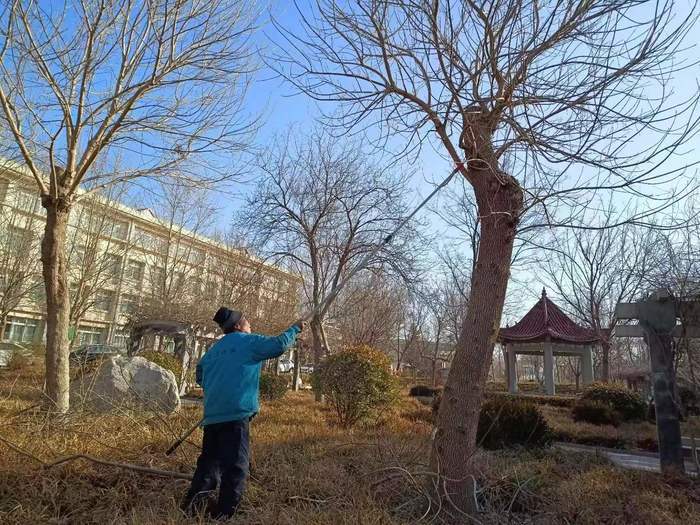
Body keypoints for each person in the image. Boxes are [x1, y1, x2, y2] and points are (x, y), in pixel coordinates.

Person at [180, 307, 303, 520]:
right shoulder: (248, 342)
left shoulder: (214, 349)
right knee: (236, 466)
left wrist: (216, 385)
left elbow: (200, 373)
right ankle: (225, 514)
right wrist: (295, 329)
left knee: (209, 463)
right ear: (238, 326)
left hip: (212, 415)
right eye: (247, 321)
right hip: (235, 415)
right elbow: (278, 345)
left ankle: (192, 508)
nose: (250, 324)